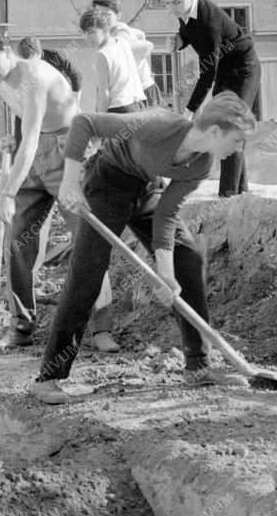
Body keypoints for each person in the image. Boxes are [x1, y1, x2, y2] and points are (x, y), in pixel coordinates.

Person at [31, 92, 258, 404]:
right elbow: (85, 122)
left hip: (146, 188)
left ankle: (198, 367)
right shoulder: (156, 125)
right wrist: (70, 181)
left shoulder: (202, 163)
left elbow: (167, 213)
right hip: (107, 182)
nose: (239, 149)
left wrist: (166, 274)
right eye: (237, 140)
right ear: (215, 131)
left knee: (187, 258)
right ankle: (49, 378)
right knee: (87, 274)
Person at [0, 25, 120, 350]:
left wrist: (7, 192)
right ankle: (21, 327)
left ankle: (101, 328)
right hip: (31, 153)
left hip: (69, 150)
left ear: (6, 49)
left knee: (87, 240)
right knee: (20, 243)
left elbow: (33, 134)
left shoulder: (34, 75)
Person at [158, 0, 259, 196]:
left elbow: (207, 73)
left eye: (175, 2)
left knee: (231, 127)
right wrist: (180, 39)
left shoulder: (208, 22)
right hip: (224, 67)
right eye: (167, 4)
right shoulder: (186, 9)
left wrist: (189, 111)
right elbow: (188, 30)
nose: (172, 9)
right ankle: (240, 192)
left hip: (243, 69)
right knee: (224, 127)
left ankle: (228, 195)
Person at [90, 0, 159, 105]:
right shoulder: (109, 32)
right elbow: (141, 34)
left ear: (118, 16)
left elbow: (146, 46)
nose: (102, 18)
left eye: (107, 15)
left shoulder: (120, 34)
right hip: (134, 92)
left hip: (142, 92)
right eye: (98, 14)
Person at [79, 7, 146, 113]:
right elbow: (140, 34)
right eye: (84, 33)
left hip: (118, 110)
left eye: (91, 32)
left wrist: (99, 120)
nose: (86, 37)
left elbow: (104, 96)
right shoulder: (122, 42)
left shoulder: (102, 54)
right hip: (138, 105)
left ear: (105, 30)